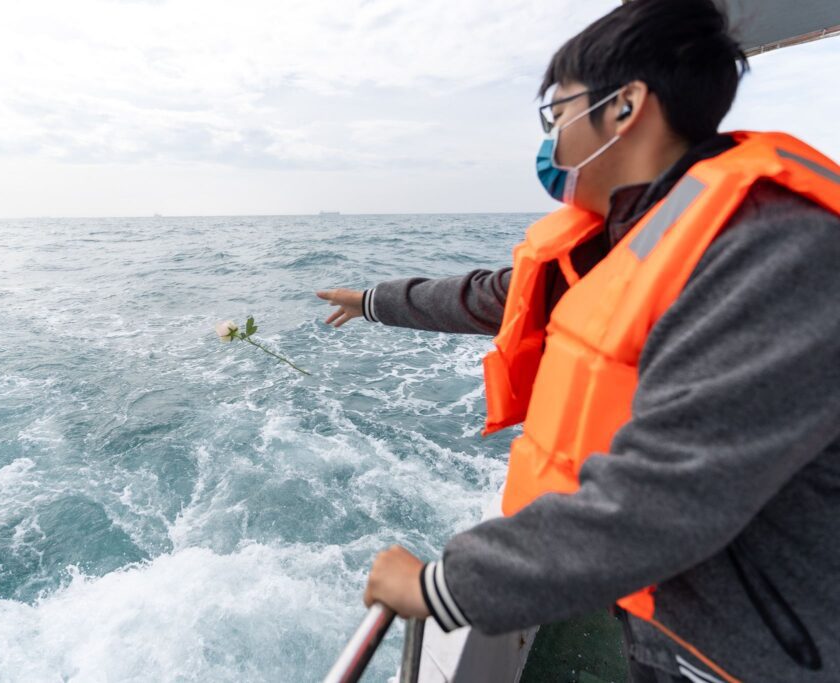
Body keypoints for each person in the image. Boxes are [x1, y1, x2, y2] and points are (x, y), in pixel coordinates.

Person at [316, 0, 840, 681]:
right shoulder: (627, 239)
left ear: (625, 108)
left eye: (557, 111)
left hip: (762, 651)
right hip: (668, 613)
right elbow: (493, 295)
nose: (552, 138)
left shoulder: (773, 248)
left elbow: (667, 498)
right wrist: (372, 301)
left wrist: (437, 586)